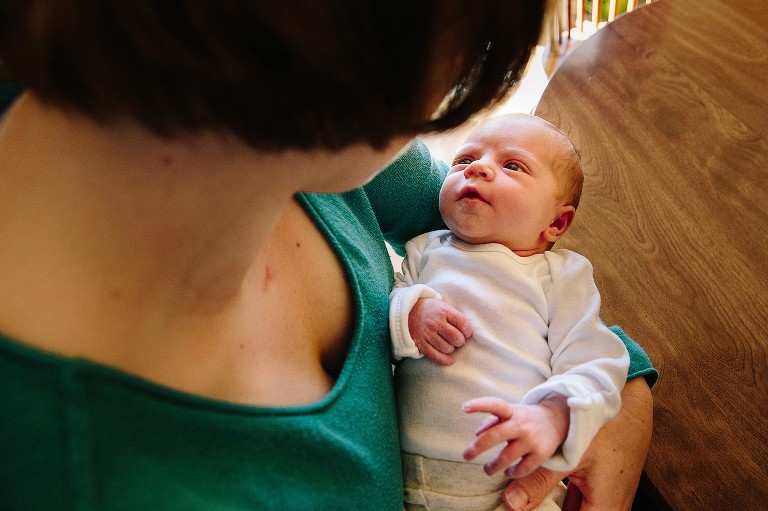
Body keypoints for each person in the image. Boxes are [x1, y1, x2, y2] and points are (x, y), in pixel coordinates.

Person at [0, 2, 656, 510]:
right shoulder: (76, 471)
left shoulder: (296, 132)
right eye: (462, 59)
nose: (445, 102)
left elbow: (506, 253)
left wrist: (614, 390)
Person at [390, 113, 629, 510]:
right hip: (403, 478)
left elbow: (597, 361)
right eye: (464, 160)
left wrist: (555, 416)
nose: (478, 168)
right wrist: (411, 313)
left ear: (556, 222)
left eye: (512, 166)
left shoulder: (560, 277)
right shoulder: (425, 250)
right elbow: (390, 307)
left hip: (509, 484)